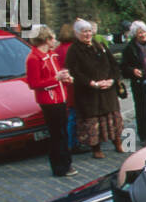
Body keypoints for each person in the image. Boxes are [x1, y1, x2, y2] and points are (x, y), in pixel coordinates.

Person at [65, 18, 124, 159]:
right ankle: (96, 148)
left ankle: (118, 143)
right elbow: (74, 72)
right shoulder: (74, 50)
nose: (87, 34)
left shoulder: (100, 45)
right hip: (89, 93)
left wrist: (111, 80)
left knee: (113, 119)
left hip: (107, 91)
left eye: (89, 31)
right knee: (93, 122)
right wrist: (92, 83)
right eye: (84, 32)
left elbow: (114, 65)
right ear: (77, 34)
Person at [24, 25, 75, 177]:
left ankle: (67, 163)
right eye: (52, 38)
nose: (55, 41)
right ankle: (59, 167)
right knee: (56, 135)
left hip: (60, 98)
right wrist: (56, 79)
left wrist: (65, 79)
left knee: (63, 133)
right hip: (49, 101)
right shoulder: (33, 58)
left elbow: (56, 77)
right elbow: (34, 84)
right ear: (46, 40)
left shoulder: (52, 55)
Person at [54, 22, 83, 153]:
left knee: (70, 115)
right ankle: (73, 143)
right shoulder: (73, 49)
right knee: (74, 116)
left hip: (63, 87)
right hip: (73, 86)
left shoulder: (57, 50)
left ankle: (71, 142)